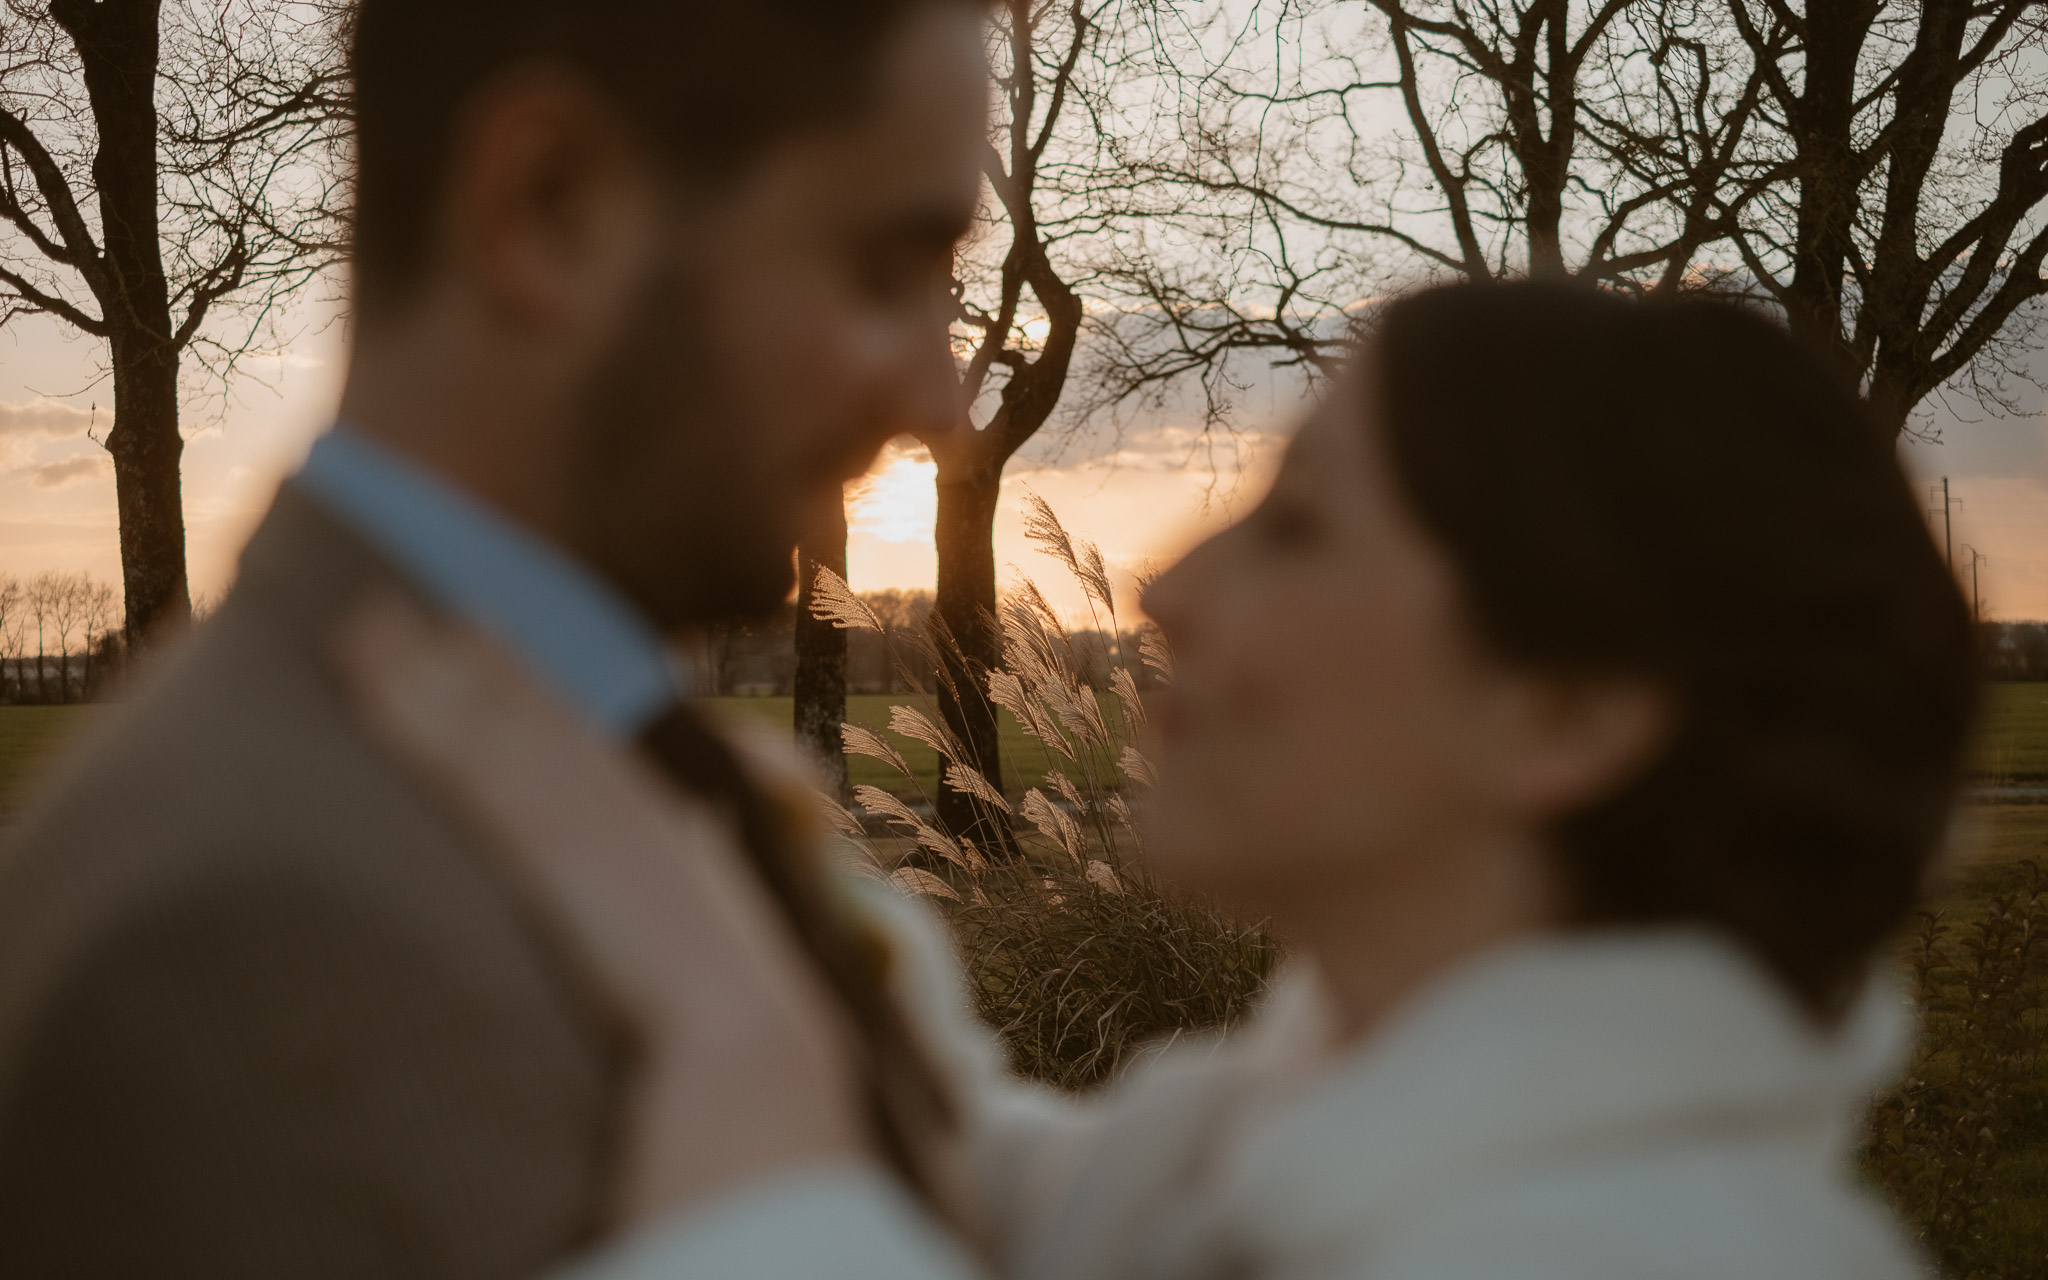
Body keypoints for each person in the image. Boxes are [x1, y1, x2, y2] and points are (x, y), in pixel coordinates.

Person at [331, 282, 1976, 1280]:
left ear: (1560, 712)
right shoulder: (1280, 1147)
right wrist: (720, 854)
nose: (1162, 588)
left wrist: (728, 1078)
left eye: (1305, 522)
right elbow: (988, 1183)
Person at [0, 0, 987, 1273]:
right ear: (548, 207)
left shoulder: (584, 765)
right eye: (881, 268)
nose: (941, 404)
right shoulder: (260, 932)